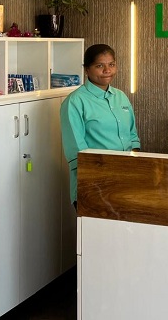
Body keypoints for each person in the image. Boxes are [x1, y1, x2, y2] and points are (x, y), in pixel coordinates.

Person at [60, 44, 140, 208]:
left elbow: (132, 137)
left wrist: (132, 170)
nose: (107, 70)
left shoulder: (121, 97)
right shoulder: (75, 102)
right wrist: (101, 177)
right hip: (94, 183)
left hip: (125, 179)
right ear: (86, 69)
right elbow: (76, 150)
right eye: (99, 66)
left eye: (111, 64)